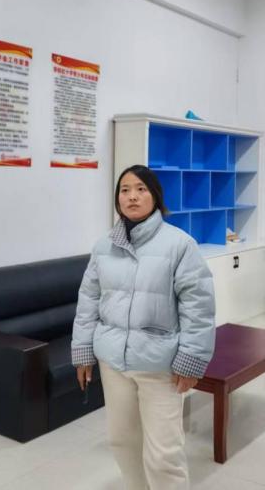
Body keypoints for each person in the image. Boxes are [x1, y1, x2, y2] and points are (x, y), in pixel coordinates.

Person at [71, 164, 215, 490]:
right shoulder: (103, 246)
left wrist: (191, 360)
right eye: (125, 190)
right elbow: (88, 300)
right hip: (113, 362)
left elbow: (199, 307)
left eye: (141, 189)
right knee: (122, 441)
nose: (132, 196)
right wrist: (82, 351)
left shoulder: (180, 244)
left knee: (164, 453)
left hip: (160, 364)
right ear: (117, 199)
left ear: (155, 197)